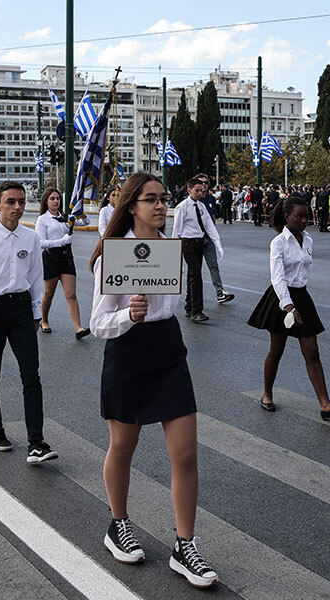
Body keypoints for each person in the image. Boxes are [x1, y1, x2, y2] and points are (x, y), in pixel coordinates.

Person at [89, 173, 218, 588]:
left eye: (164, 199)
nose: (162, 206)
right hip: (127, 351)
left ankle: (185, 545)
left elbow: (171, 305)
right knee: (122, 447)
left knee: (185, 454)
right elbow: (97, 323)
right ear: (132, 206)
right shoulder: (113, 254)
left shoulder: (171, 250)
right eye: (152, 199)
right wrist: (128, 314)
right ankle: (118, 524)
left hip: (167, 349)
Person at [0, 181, 57, 464]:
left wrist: (37, 311)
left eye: (21, 201)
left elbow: (35, 276)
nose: (17, 207)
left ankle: (36, 442)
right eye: (11, 202)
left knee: (31, 374)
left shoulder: (31, 237)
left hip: (21, 310)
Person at [247, 195, 330, 419]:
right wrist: (289, 307)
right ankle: (267, 394)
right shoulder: (278, 243)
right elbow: (277, 278)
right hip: (281, 299)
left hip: (302, 297)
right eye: (299, 217)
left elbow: (303, 272)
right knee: (276, 351)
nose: (305, 220)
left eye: (306, 216)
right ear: (287, 217)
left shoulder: (308, 239)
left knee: (312, 352)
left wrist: (299, 303)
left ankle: (325, 404)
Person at [34, 187, 91, 338]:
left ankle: (78, 328)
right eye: (52, 199)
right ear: (46, 201)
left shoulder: (66, 217)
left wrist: (80, 212)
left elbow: (86, 222)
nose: (56, 201)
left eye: (58, 198)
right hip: (51, 258)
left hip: (66, 259)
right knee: (48, 294)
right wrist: (61, 241)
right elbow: (40, 242)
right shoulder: (42, 220)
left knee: (71, 294)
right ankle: (44, 320)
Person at [172, 176, 224, 322]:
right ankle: (197, 310)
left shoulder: (201, 206)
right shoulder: (182, 207)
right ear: (189, 190)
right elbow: (177, 230)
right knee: (196, 276)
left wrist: (218, 244)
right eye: (197, 190)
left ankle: (189, 307)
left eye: (202, 191)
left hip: (199, 243)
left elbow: (209, 226)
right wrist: (175, 252)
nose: (200, 193)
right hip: (188, 243)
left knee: (192, 275)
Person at [189, 175, 236, 305]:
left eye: (206, 182)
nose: (204, 185)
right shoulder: (192, 200)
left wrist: (214, 235)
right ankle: (191, 294)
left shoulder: (210, 199)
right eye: (201, 183)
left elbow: (212, 217)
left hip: (207, 238)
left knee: (213, 265)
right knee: (194, 270)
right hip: (195, 238)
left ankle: (220, 293)